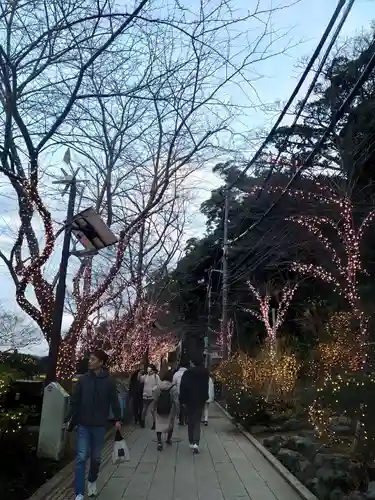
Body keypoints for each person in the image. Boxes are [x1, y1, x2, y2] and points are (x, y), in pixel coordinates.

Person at [67, 349, 122, 500]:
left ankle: (92, 480)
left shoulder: (109, 381)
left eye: (93, 359)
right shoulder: (83, 380)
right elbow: (75, 400)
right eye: (89, 359)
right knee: (81, 457)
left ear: (101, 362)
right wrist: (69, 417)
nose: (89, 361)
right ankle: (79, 492)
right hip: (83, 424)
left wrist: (117, 418)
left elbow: (114, 401)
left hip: (99, 425)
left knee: (96, 458)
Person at [180, 355, 209, 454]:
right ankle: (196, 442)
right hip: (200, 400)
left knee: (190, 421)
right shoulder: (205, 373)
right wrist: (205, 398)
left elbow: (182, 388)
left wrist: (182, 400)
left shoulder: (187, 373)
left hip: (189, 400)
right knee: (197, 421)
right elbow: (206, 387)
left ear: (193, 363)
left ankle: (191, 441)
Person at [152, 369, 179, 451]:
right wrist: (178, 412)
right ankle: (168, 439)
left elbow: (155, 399)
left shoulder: (158, 387)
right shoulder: (173, 388)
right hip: (170, 410)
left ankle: (159, 442)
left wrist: (154, 408)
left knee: (159, 425)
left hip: (160, 409)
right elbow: (176, 401)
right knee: (170, 425)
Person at [139, 364, 160, 429]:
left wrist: (154, 388)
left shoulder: (156, 376)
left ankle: (154, 423)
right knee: (144, 410)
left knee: (152, 410)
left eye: (150, 369)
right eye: (148, 369)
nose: (149, 370)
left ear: (153, 370)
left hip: (152, 396)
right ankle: (142, 422)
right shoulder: (145, 376)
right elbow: (140, 380)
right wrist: (139, 373)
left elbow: (159, 384)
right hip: (145, 395)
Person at [172, 361, 189, 425]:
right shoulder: (188, 373)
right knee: (186, 406)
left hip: (178, 392)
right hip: (186, 393)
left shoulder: (176, 374)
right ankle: (186, 419)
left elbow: (173, 383)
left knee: (178, 406)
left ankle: (179, 419)